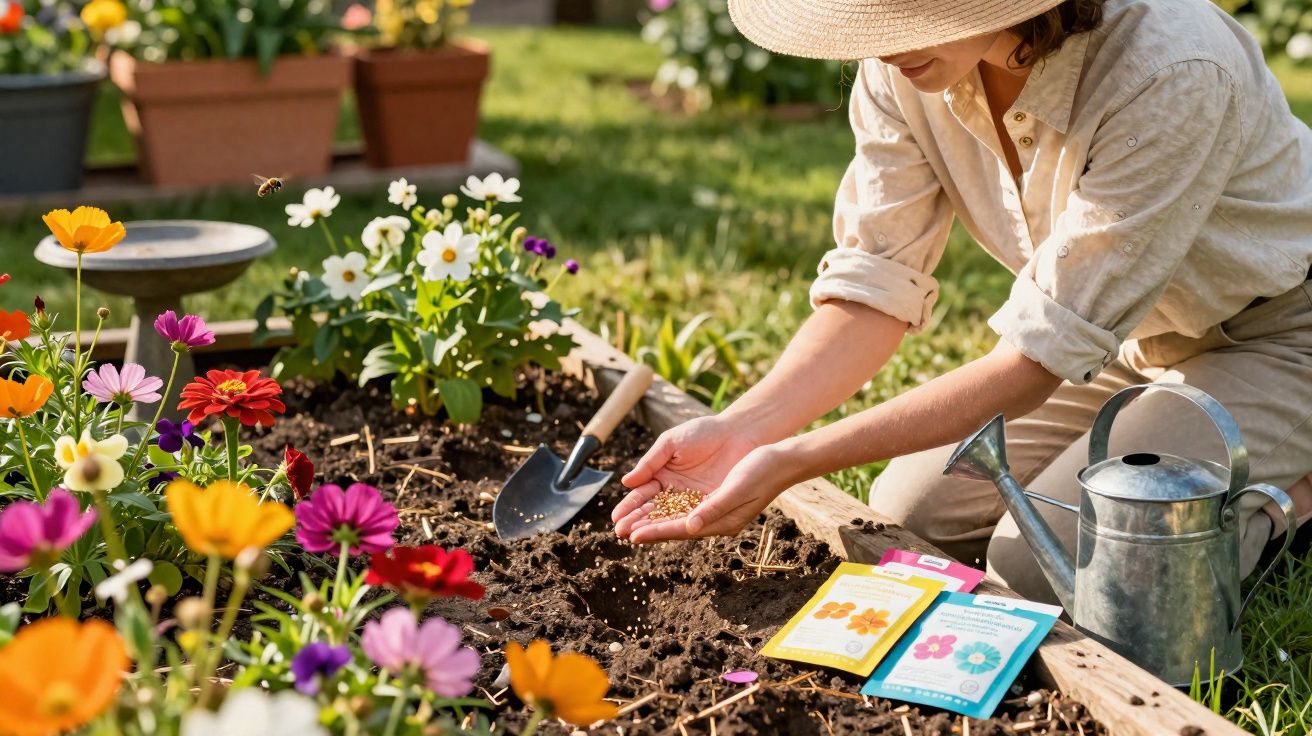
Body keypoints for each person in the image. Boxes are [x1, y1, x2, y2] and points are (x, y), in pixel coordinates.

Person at [610, 0, 1312, 604]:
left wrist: (795, 460)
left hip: (1278, 334)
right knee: (910, 513)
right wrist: (746, 430)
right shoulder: (903, 65)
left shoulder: (1170, 67)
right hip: (1124, 341)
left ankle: (1295, 500)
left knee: (1044, 568)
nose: (882, 43)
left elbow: (1031, 366)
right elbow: (875, 285)